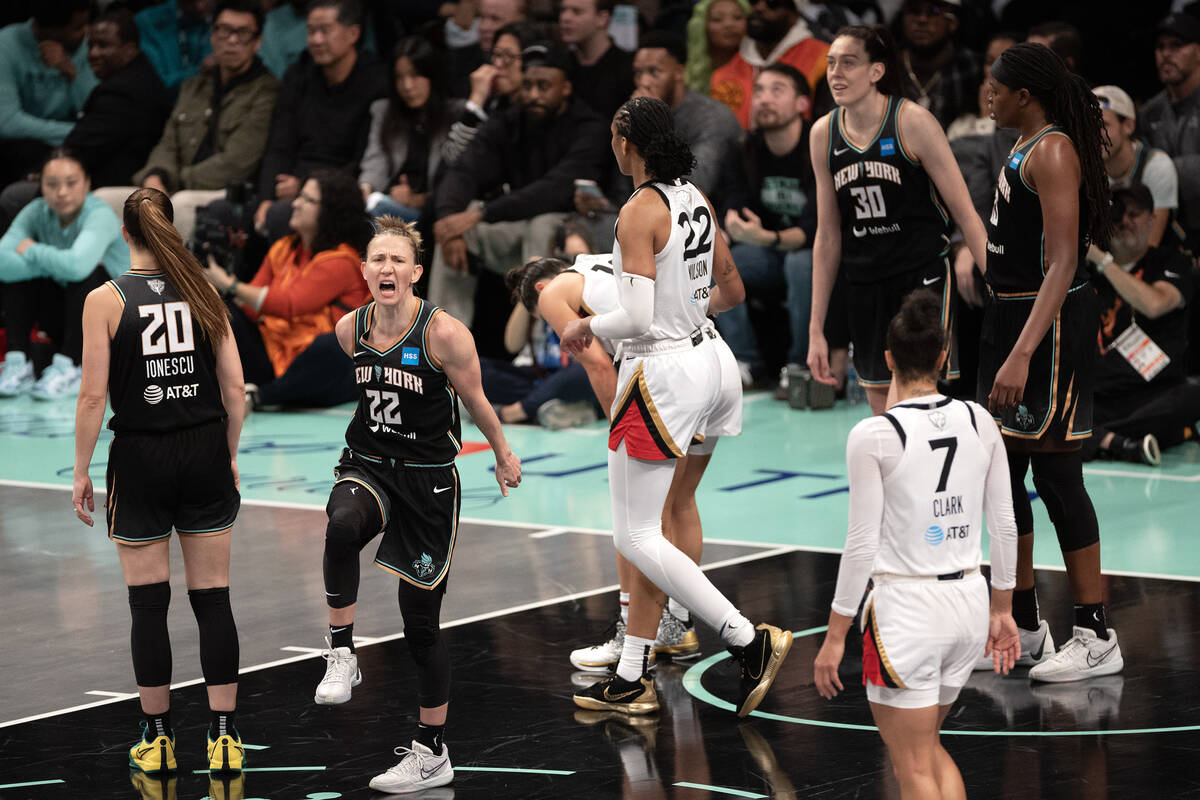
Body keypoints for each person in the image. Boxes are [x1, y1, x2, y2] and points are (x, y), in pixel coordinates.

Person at [562, 97, 791, 718]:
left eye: (614, 136)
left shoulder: (639, 209)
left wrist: (587, 328)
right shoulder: (695, 196)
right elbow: (732, 289)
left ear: (627, 143)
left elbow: (633, 316)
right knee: (665, 517)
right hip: (710, 361)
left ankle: (747, 638)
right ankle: (633, 674)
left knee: (635, 533)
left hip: (661, 370)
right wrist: (685, 314)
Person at [309, 216, 521, 794]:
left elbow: (475, 398)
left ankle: (432, 751)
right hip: (370, 465)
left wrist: (502, 452)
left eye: (398, 260)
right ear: (364, 270)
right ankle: (341, 653)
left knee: (420, 626)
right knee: (341, 524)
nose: (387, 269)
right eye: (378, 259)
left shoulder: (444, 333)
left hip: (428, 483)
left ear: (416, 272)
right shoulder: (349, 329)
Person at [813, 289, 1020, 800]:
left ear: (887, 359)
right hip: (968, 606)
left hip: (906, 614)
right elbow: (1007, 525)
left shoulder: (874, 435)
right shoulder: (981, 420)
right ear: (944, 357)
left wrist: (836, 635)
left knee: (912, 766)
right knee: (926, 751)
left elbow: (861, 543)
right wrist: (1003, 609)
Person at [71, 187, 246, 775]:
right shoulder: (204, 291)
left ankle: (159, 739)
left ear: (125, 235)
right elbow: (234, 391)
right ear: (171, 228)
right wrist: (229, 455)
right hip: (203, 452)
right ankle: (224, 738)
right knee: (213, 599)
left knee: (148, 604)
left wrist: (80, 470)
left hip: (141, 457)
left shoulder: (105, 298)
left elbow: (94, 396)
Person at [980, 42, 1123, 682]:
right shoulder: (1020, 145)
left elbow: (1065, 261)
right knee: (1005, 479)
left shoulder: (1054, 149)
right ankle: (1028, 624)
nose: (988, 94)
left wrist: (1020, 353)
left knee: (1060, 480)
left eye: (996, 86)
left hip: (1049, 323)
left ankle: (1095, 634)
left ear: (1025, 95)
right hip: (1010, 313)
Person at [507, 253, 717, 668]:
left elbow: (600, 367)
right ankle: (677, 623)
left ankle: (632, 632)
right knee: (680, 502)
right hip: (707, 359)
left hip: (663, 371)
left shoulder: (554, 295)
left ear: (539, 290)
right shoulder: (598, 261)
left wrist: (616, 427)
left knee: (633, 518)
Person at [807, 25, 989, 415]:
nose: (836, 73)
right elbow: (827, 237)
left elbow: (965, 213)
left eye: (848, 63)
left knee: (917, 401)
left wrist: (1004, 290)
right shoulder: (823, 134)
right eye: (831, 63)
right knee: (883, 411)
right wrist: (816, 328)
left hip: (920, 277)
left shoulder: (912, 122)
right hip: (863, 283)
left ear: (876, 71)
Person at [430, 41, 609, 329]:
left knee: (541, 224)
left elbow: (555, 190)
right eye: (527, 86)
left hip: (577, 229)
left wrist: (481, 213)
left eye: (543, 86)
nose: (533, 95)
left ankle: (540, 339)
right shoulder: (511, 121)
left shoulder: (589, 127)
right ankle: (444, 340)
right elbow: (464, 170)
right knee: (458, 230)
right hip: (518, 225)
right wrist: (449, 221)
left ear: (565, 88)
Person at [111, 0, 279, 245]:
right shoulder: (194, 86)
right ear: (212, 36)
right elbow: (168, 142)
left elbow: (237, 163)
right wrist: (156, 176)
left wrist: (173, 182)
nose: (232, 40)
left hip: (230, 192)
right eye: (224, 30)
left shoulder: (267, 91)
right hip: (176, 184)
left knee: (180, 205)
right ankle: (121, 280)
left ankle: (170, 282)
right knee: (105, 200)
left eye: (242, 33)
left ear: (257, 41)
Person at [203, 168, 370, 409]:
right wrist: (216, 291)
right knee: (220, 314)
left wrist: (229, 284)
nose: (296, 204)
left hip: (314, 364)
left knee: (331, 349)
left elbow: (290, 304)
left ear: (330, 211)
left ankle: (262, 397)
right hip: (273, 354)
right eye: (299, 196)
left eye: (308, 200)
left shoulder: (342, 261)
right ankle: (245, 392)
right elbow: (252, 308)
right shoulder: (283, 248)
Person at [718, 62, 817, 393]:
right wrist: (732, 223)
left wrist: (766, 236)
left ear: (802, 103)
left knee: (800, 262)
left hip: (817, 253)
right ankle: (744, 363)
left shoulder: (818, 146)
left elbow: (814, 228)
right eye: (759, 91)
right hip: (768, 251)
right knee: (720, 263)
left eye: (777, 91)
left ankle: (800, 365)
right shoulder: (745, 147)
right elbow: (734, 198)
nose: (763, 99)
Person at [252, 0, 387, 242]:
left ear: (353, 33)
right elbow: (280, 145)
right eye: (311, 31)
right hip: (291, 186)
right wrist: (266, 199)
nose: (315, 40)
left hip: (341, 192)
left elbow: (362, 160)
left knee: (284, 215)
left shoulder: (376, 82)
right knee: (231, 211)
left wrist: (307, 188)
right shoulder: (299, 74)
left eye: (325, 30)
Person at [1084, 184, 1200, 465]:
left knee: (1193, 396)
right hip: (1099, 395)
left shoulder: (1171, 261)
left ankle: (1098, 439)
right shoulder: (1081, 271)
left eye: (1134, 214)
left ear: (1151, 219)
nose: (1124, 222)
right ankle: (1119, 442)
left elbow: (1154, 303)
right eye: (1118, 214)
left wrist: (1102, 260)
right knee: (1049, 406)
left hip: (1153, 393)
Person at [0, 149, 129, 399]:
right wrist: (57, 262)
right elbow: (2, 264)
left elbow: (78, 266)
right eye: (52, 184)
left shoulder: (98, 215)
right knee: (17, 278)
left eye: (71, 183)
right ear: (41, 186)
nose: (61, 192)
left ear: (87, 183)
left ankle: (71, 366)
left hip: (118, 322)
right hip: (69, 318)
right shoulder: (36, 211)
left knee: (89, 273)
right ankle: (19, 363)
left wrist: (33, 250)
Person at [62, 6, 170, 189]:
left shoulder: (121, 92)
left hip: (110, 186)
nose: (93, 54)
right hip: (105, 178)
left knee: (15, 196)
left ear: (129, 49)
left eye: (103, 45)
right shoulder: (140, 75)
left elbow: (80, 150)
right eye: (90, 46)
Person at [359, 36, 460, 223]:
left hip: (432, 212)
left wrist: (417, 200)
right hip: (388, 201)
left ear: (432, 76)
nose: (407, 86)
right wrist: (365, 190)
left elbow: (455, 179)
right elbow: (375, 162)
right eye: (400, 77)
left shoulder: (456, 116)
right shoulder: (384, 111)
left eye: (415, 76)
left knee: (377, 216)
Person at [0, 0, 96, 188]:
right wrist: (76, 133)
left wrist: (72, 75)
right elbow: (7, 122)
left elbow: (98, 110)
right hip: (25, 146)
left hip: (78, 143)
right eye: (78, 28)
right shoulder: (7, 45)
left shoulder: (89, 44)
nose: (87, 31)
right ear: (52, 32)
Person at [709, 0, 829, 130]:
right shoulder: (728, 62)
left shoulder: (824, 58)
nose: (760, 7)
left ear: (794, 14)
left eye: (772, 3)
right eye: (754, 1)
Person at [1091, 85, 1181, 252]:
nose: (1094, 133)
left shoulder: (1156, 165)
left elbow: (1149, 248)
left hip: (1155, 265)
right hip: (1109, 261)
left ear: (1128, 126)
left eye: (1103, 124)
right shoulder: (1084, 170)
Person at [894, 0, 980, 130]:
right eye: (914, 11)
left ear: (953, 23)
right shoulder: (886, 65)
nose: (922, 20)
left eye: (934, 11)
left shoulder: (971, 67)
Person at [559, 0, 635, 120]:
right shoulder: (560, 65)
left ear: (602, 19)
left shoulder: (628, 68)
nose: (565, 18)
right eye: (563, 10)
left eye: (576, 12)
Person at [684, 0, 749, 96]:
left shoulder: (759, 70)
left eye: (737, 17)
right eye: (717, 19)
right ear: (702, 27)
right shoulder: (686, 76)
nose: (729, 24)